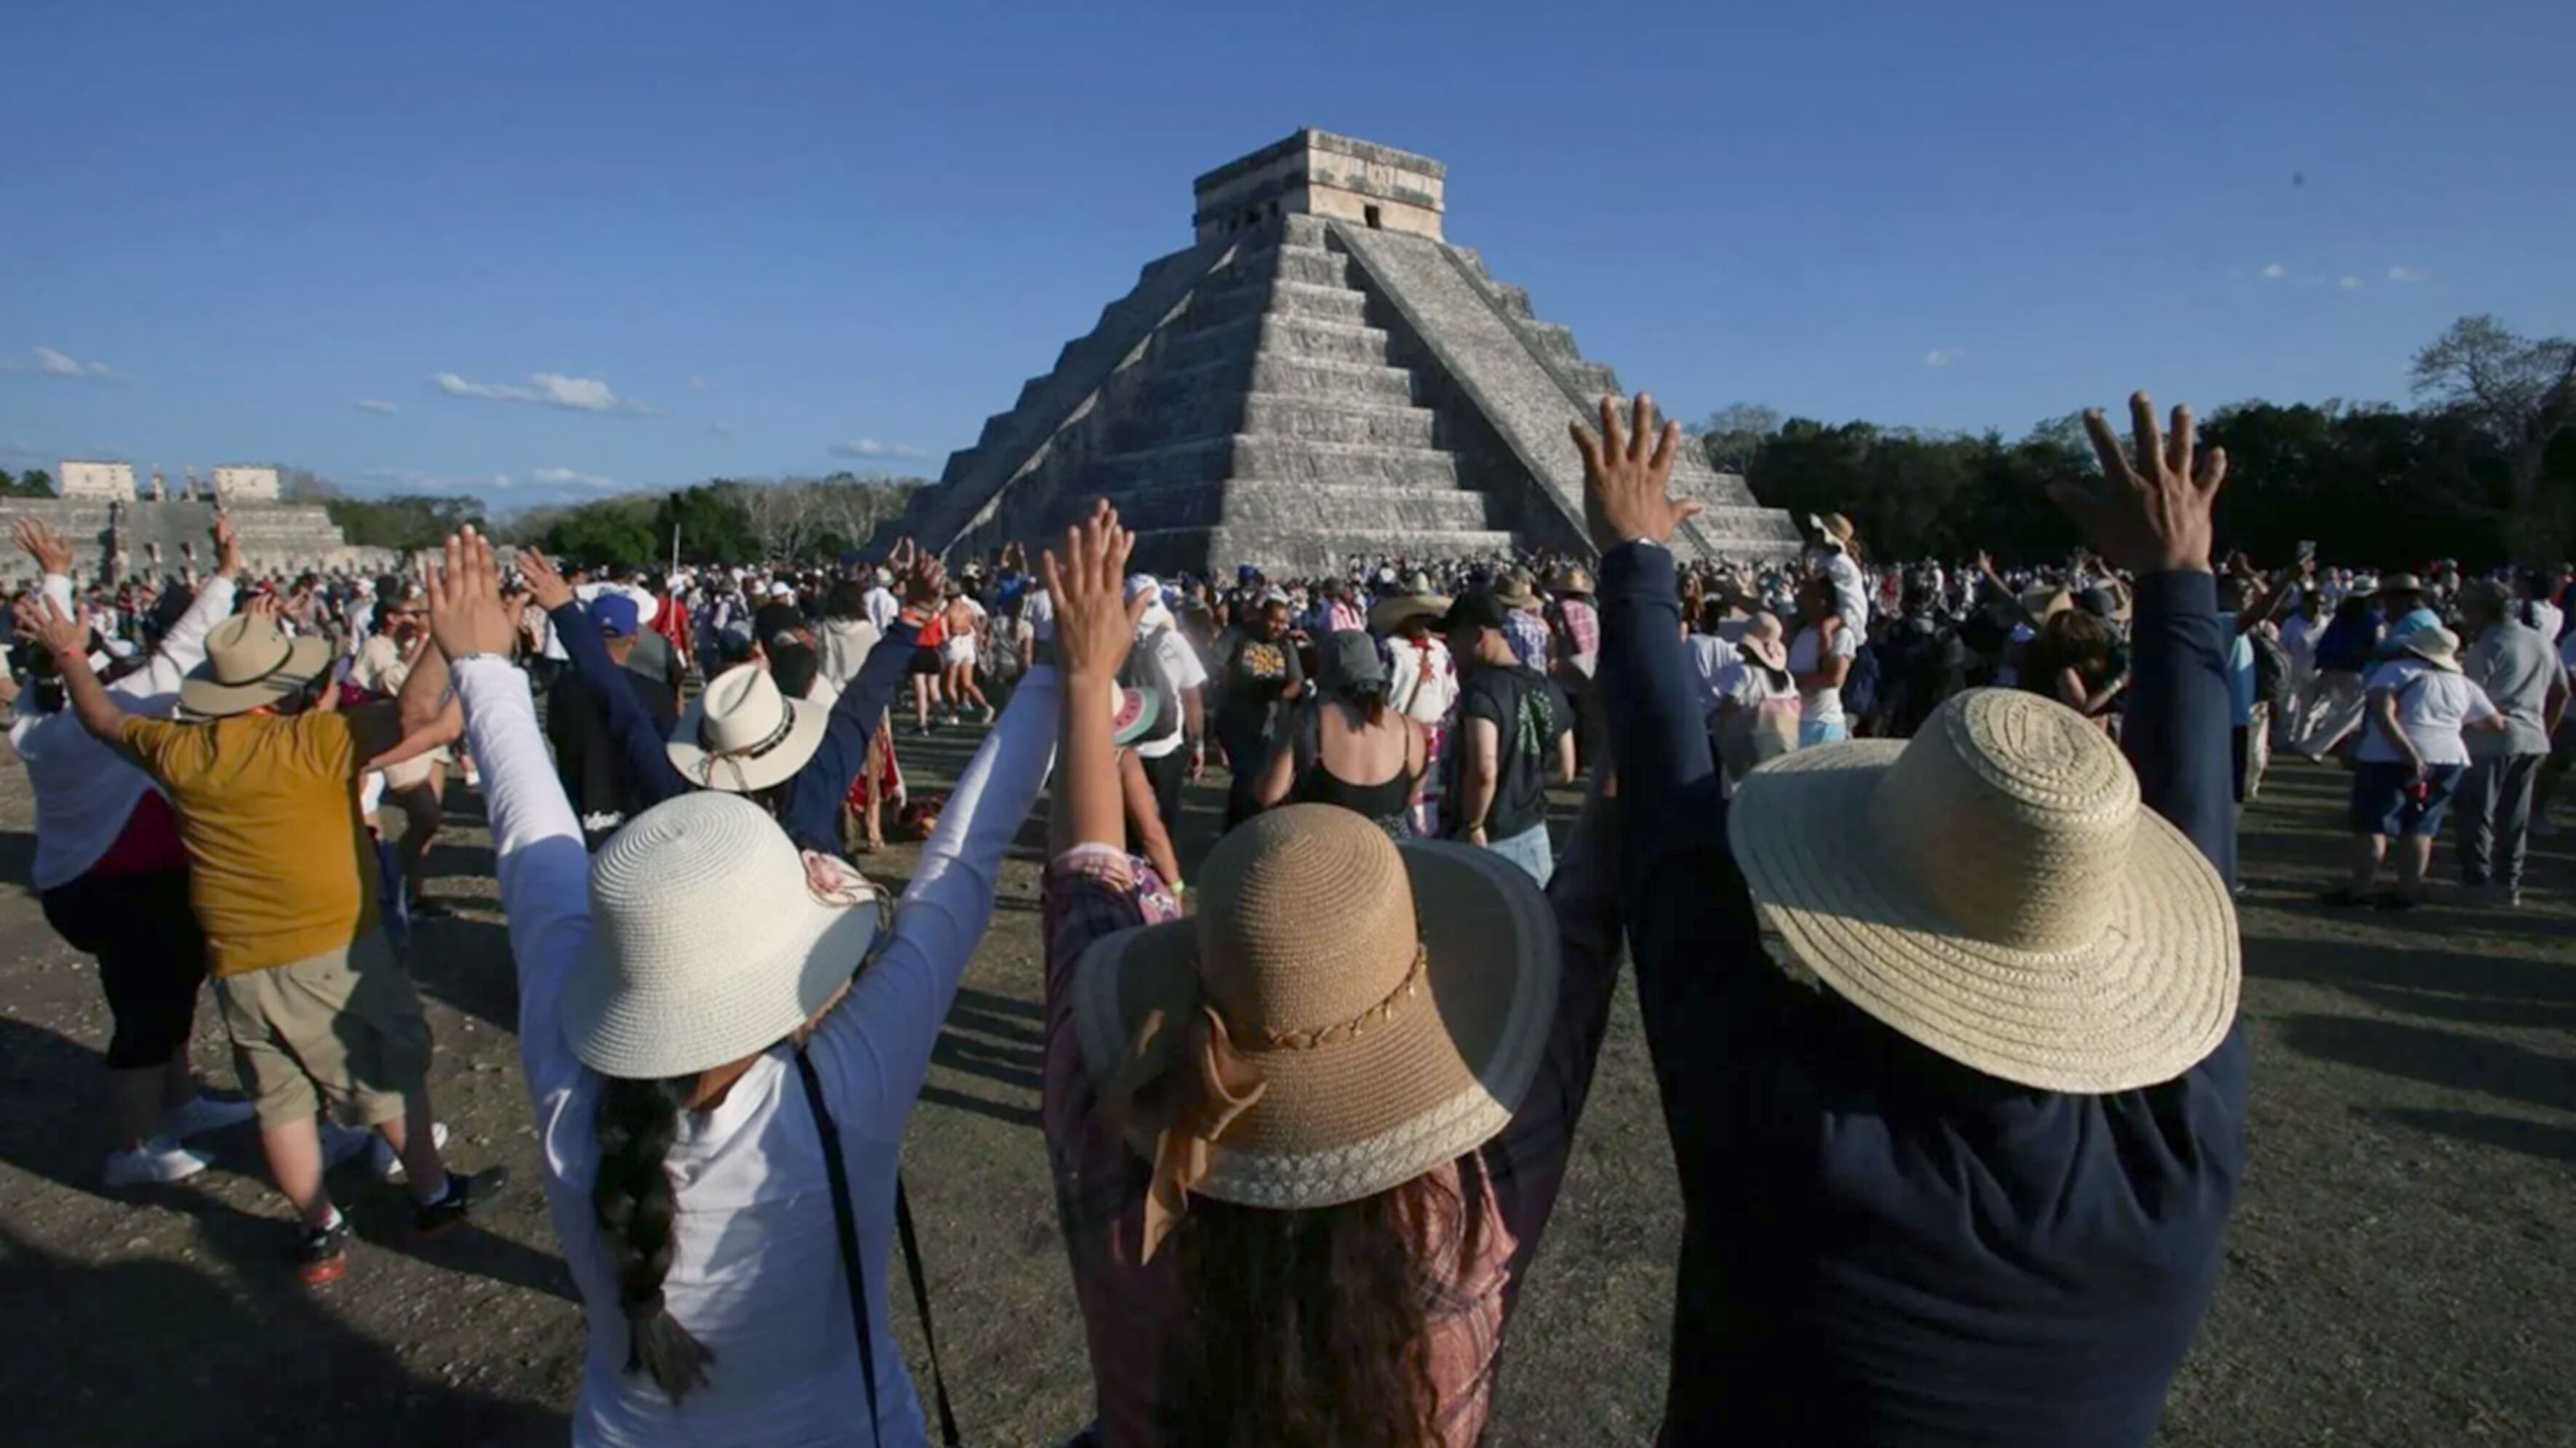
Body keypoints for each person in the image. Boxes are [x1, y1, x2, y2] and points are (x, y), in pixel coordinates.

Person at [1579, 389, 2247, 1445]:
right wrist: (2176, 585)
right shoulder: (2172, 1155)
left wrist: (1632, 557)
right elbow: (2200, 839)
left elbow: (1666, 826)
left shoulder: (1800, 1135)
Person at [430, 526, 1056, 1443]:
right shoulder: (839, 1090)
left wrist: (491, 665)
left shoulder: (576, 1084)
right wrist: (1058, 674)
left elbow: (538, 857)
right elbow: (961, 860)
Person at [1035, 502, 1624, 1447]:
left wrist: (1083, 678)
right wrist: (1631, 584)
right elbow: (1590, 915)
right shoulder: (1477, 1206)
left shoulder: (1116, 1138)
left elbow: (1085, 877)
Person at [41, 590, 504, 1284]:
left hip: (238, 958)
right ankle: (434, 1195)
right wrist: (441, 640)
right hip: (331, 951)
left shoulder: (180, 749)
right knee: (388, 1075)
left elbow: (103, 718)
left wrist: (72, 656)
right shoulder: (312, 742)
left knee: (281, 1101)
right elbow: (416, 717)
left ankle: (319, 1227)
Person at [9, 517, 254, 1185]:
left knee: (162, 998)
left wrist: (56, 576)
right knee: (148, 1014)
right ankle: (133, 1146)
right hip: (130, 886)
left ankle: (180, 1102)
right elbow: (181, 649)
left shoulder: (34, 723)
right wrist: (227, 574)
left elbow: (55, 658)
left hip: (83, 882)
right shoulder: (122, 708)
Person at [2330, 624, 2504, 910]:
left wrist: (2410, 754)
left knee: (2373, 824)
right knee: (2421, 827)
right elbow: (2494, 723)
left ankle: (2361, 889)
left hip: (2387, 756)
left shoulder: (2395, 671)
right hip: (2448, 757)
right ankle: (2408, 892)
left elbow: (2383, 715)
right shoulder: (2462, 683)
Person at [1442, 590, 1575, 883]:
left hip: (1489, 839)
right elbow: (1567, 770)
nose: (1452, 650)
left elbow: (1484, 769)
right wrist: (1525, 780)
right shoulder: (1546, 687)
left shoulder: (1482, 692)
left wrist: (1474, 823)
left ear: (1478, 635)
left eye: (1455, 640)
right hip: (1534, 833)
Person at [2454, 581, 2568, 906]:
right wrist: (2546, 729)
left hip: (2489, 739)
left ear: (2483, 611)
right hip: (2533, 738)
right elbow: (2561, 693)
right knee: (2515, 817)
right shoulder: (2543, 643)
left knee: (2478, 813)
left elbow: (2470, 698)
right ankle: (2508, 883)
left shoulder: (2487, 647)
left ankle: (2476, 880)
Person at [1254, 630, 1426, 837]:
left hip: (1324, 853)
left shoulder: (1308, 721)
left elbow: (1269, 795)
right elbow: (1411, 797)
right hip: (1389, 858)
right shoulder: (1410, 731)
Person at [547, 594, 680, 848]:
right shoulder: (657, 693)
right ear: (634, 638)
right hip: (642, 820)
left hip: (582, 810)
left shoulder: (562, 689)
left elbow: (557, 737)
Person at [1120, 574, 1209, 842]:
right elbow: (1192, 698)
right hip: (1166, 745)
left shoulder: (1110, 644)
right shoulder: (1175, 642)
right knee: (1163, 821)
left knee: (1125, 822)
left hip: (1122, 746)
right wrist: (1198, 745)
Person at [1212, 596, 1306, 829]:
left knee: (1257, 778)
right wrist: (1233, 683)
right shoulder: (1237, 637)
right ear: (1262, 617)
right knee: (1246, 775)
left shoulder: (1285, 646)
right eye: (1275, 621)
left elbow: (1297, 682)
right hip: (1237, 718)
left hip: (1269, 721)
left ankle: (1248, 825)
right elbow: (1215, 664)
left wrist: (1280, 694)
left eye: (1284, 623)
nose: (1279, 627)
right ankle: (1235, 828)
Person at [1784, 573, 1857, 747]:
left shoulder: (1841, 635)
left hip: (1822, 725)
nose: (1799, 598)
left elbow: (1834, 679)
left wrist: (1790, 681)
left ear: (1822, 602)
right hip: (1797, 720)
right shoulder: (1803, 633)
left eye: (1806, 595)